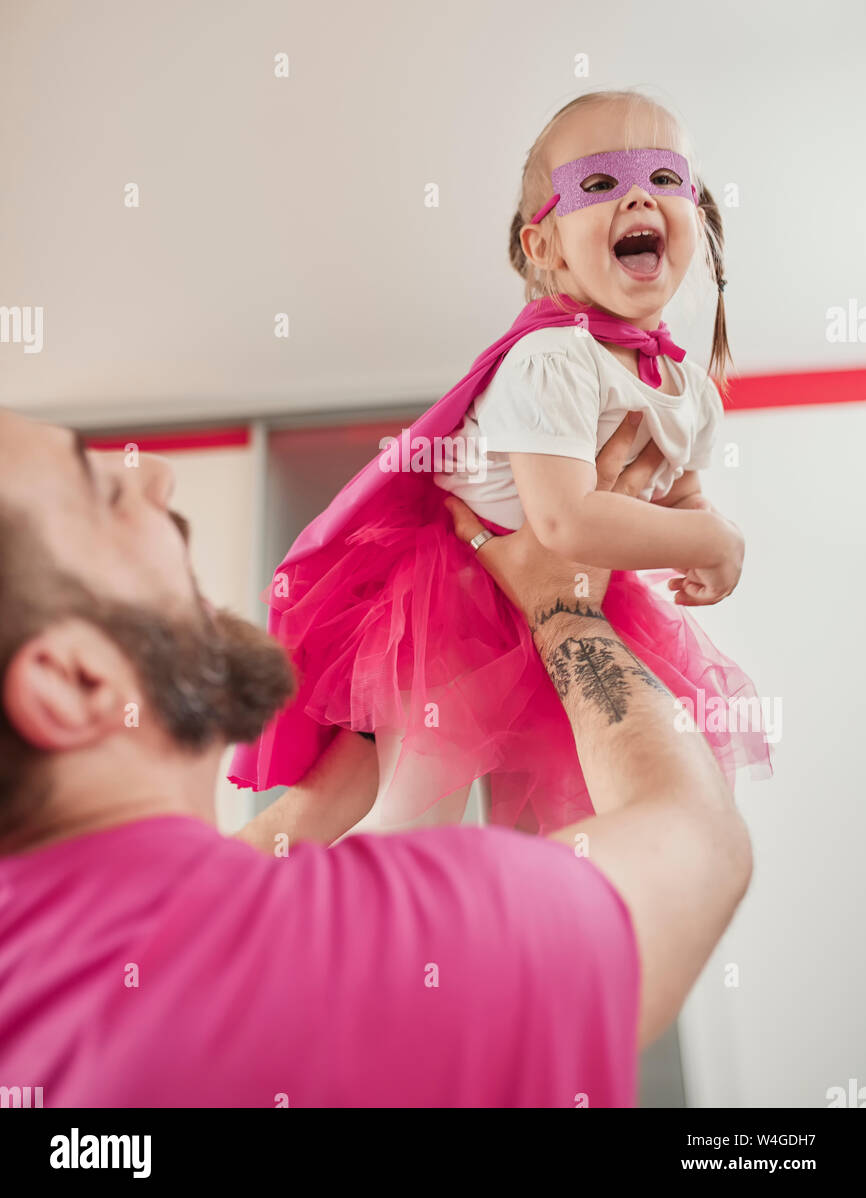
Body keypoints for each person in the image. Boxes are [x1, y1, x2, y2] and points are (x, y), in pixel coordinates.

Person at [0, 407, 751, 1108]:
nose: (155, 475)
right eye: (104, 494)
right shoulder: (360, 956)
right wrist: (565, 610)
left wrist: (311, 810)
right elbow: (697, 842)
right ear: (73, 681)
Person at [228, 87, 772, 838]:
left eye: (666, 178)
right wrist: (720, 544)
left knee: (550, 823)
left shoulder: (688, 389)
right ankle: (283, 917)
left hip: (569, 595)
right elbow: (563, 517)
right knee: (412, 809)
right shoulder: (553, 358)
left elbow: (679, 496)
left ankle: (506, 940)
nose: (639, 197)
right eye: (601, 183)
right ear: (545, 248)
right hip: (453, 594)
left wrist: (698, 531)